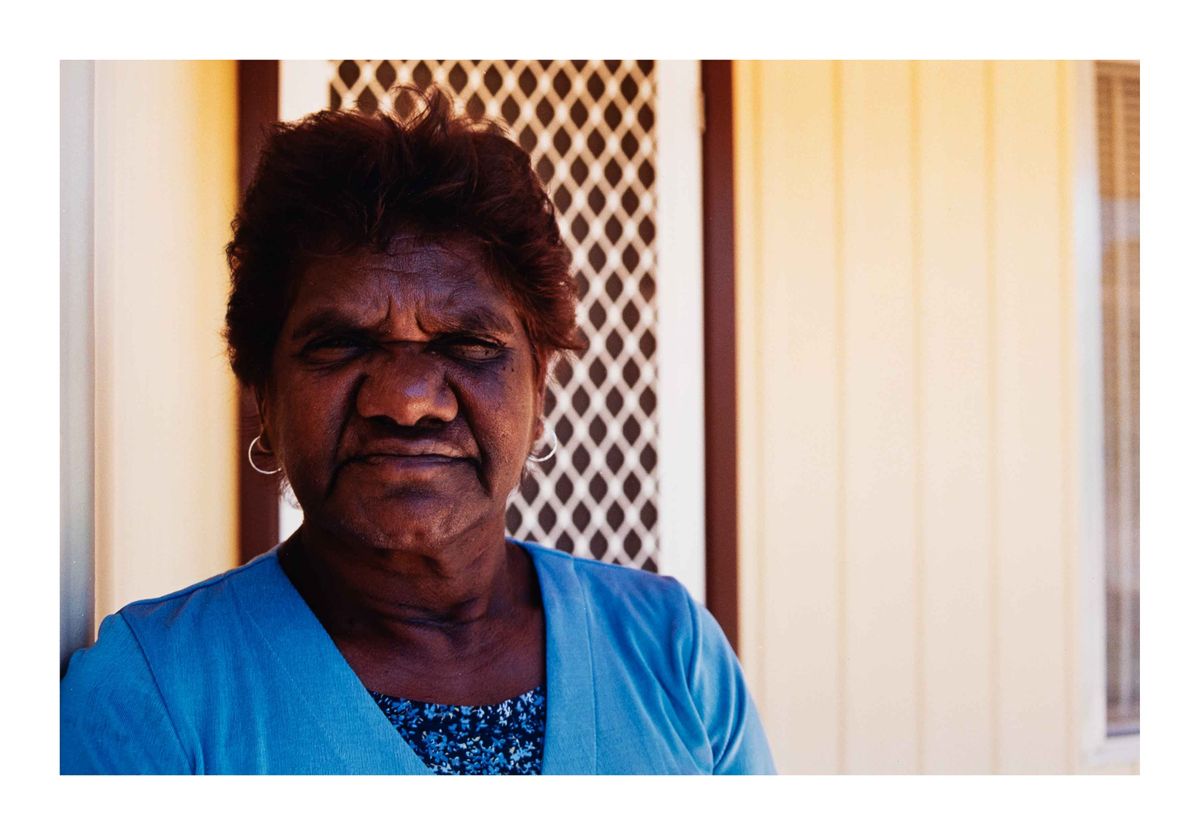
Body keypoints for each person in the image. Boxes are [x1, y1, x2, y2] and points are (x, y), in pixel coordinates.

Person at [59, 86, 775, 775]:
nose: (406, 400)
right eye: (340, 344)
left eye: (466, 344)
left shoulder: (671, 651)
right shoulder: (154, 693)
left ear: (539, 390)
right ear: (264, 398)